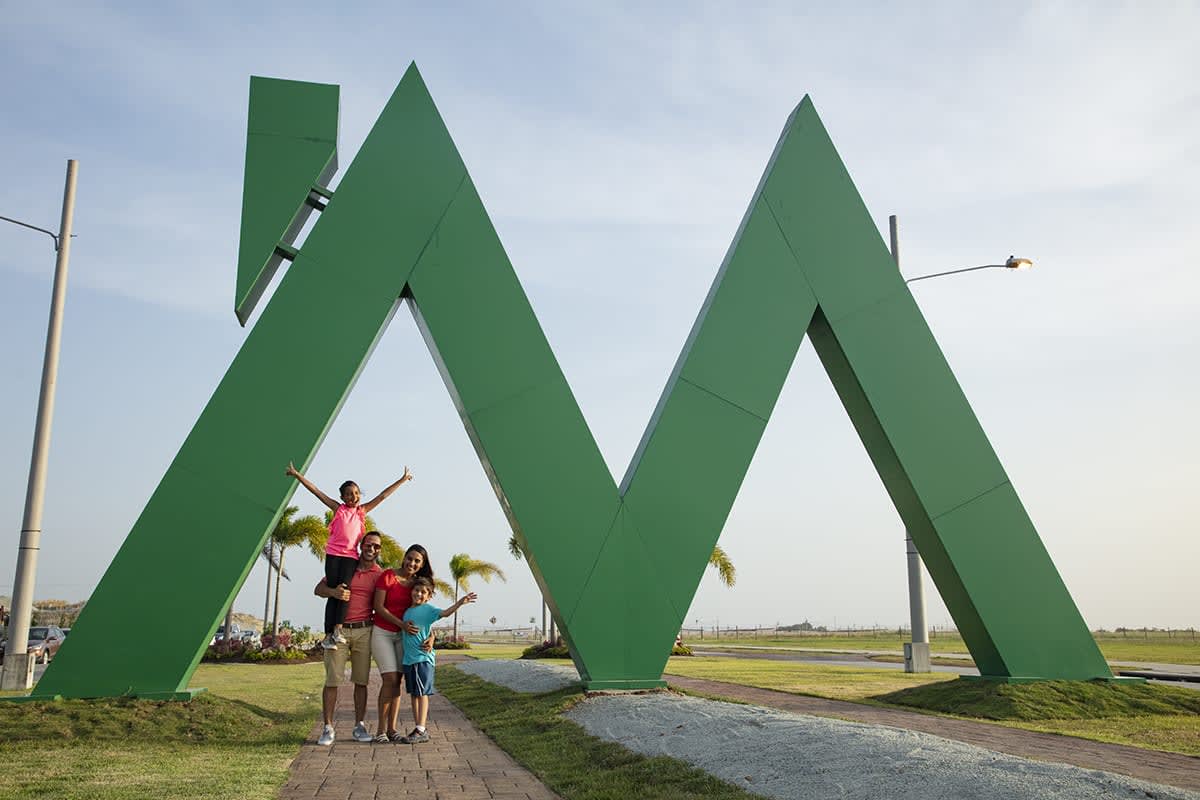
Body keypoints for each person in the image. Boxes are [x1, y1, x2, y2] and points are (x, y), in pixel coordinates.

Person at [286, 461, 413, 649]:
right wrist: (297, 475)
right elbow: (317, 492)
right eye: (348, 494)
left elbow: (382, 496)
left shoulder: (362, 512)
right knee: (333, 592)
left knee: (345, 591)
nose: (353, 497)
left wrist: (402, 480)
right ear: (342, 497)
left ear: (359, 495)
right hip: (332, 555)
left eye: (356, 493)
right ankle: (328, 634)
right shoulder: (339, 510)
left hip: (350, 557)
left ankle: (338, 630)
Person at [311, 530, 385, 746]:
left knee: (361, 681)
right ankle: (328, 727)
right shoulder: (346, 568)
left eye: (376, 546)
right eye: (369, 545)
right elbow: (319, 589)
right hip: (339, 632)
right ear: (361, 546)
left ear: (379, 550)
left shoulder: (378, 574)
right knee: (332, 680)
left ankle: (359, 726)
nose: (372, 549)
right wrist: (334, 592)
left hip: (365, 631)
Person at [397, 577, 477, 744]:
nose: (418, 594)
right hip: (409, 660)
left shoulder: (428, 610)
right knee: (414, 694)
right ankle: (418, 727)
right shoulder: (407, 611)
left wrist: (460, 603)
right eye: (416, 590)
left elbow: (445, 613)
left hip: (422, 659)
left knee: (422, 694)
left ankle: (421, 729)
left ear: (428, 596)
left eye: (423, 592)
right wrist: (431, 635)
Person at [371, 543, 434, 742]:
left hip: (405, 639)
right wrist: (401, 624)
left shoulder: (419, 585)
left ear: (422, 564)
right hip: (383, 633)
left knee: (398, 681)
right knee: (389, 679)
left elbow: (426, 615)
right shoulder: (388, 576)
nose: (412, 563)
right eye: (410, 558)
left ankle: (392, 730)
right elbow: (378, 607)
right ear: (404, 557)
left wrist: (432, 637)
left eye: (417, 561)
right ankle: (380, 730)